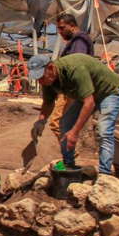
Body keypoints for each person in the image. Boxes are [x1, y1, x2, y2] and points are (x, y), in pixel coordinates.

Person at [30, 52, 119, 175]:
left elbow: (89, 103)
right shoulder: (48, 80)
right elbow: (48, 103)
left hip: (109, 92)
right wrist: (41, 121)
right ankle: (69, 167)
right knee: (65, 124)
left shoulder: (74, 69)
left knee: (104, 131)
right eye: (37, 79)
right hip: (87, 95)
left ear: (51, 68)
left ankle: (105, 175)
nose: (40, 82)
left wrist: (74, 132)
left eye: (41, 77)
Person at [42, 12, 95, 140]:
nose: (59, 32)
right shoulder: (75, 41)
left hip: (73, 88)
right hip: (73, 88)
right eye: (58, 29)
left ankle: (70, 154)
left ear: (72, 26)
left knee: (57, 122)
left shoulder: (79, 40)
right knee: (64, 123)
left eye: (62, 28)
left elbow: (76, 63)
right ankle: (68, 155)